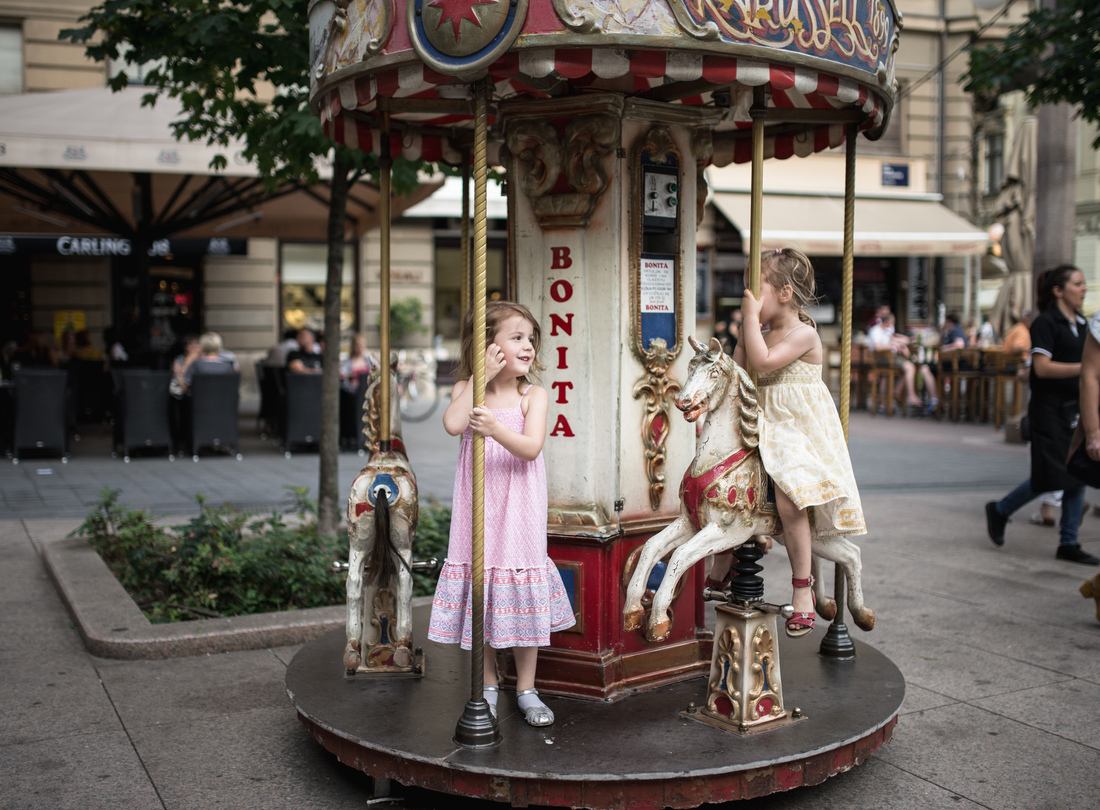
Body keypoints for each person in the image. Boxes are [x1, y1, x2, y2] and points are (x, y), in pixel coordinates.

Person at [427, 301, 575, 726]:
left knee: (520, 584)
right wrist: (481, 379)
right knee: (484, 587)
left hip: (520, 506)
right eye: (516, 338)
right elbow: (453, 424)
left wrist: (495, 429)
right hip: (481, 503)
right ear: (488, 346)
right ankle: (489, 682)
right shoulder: (466, 391)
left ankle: (527, 686)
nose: (527, 346)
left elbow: (530, 448)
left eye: (530, 338)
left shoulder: (534, 395)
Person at [736, 248, 867, 637]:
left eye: (755, 286)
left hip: (797, 431)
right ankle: (726, 564)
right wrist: (747, 332)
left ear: (785, 293)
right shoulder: (761, 333)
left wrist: (747, 321)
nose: (749, 294)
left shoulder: (804, 333)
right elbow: (743, 370)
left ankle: (802, 588)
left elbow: (761, 365)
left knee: (790, 493)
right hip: (763, 423)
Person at [984, 265, 1099, 564]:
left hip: (1076, 408)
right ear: (1058, 291)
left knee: (1076, 471)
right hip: (1049, 412)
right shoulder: (1046, 323)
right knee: (1050, 477)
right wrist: (1088, 369)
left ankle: (1069, 540)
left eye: (1084, 283)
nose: (1083, 288)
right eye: (1078, 283)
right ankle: (1001, 509)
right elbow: (1041, 368)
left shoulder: (1083, 322)